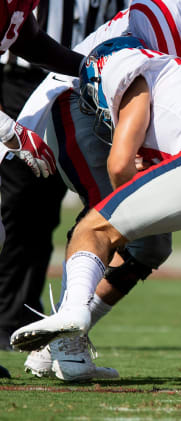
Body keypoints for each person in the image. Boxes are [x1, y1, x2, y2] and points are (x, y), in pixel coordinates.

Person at [18, 0, 181, 381]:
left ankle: (60, 339)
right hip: (82, 106)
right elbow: (132, 108)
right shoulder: (153, 21)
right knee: (112, 225)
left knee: (152, 245)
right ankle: (66, 340)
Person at [0, 0, 123, 354]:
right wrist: (12, 130)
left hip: (59, 87)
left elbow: (31, 40)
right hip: (15, 87)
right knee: (18, 210)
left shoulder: (20, 8)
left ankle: (15, 317)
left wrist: (86, 68)